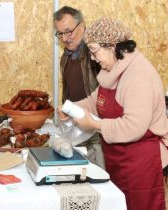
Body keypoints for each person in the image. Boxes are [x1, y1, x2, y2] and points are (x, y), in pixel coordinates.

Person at [60, 17, 168, 210]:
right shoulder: (111, 71)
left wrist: (95, 125)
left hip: (142, 163)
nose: (93, 59)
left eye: (95, 52)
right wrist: (71, 109)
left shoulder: (138, 76)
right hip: (118, 158)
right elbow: (95, 101)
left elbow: (133, 127)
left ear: (112, 46)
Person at [53, 6, 105, 169]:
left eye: (68, 31)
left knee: (100, 179)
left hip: (97, 134)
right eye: (60, 33)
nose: (65, 38)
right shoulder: (66, 57)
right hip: (77, 133)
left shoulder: (96, 55)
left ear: (82, 26)